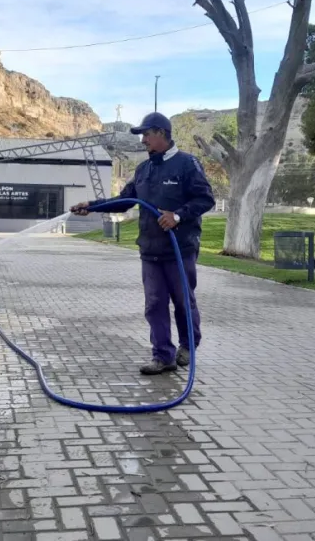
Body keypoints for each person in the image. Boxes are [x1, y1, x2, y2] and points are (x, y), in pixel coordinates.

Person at [71, 112, 215, 376]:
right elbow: (126, 199)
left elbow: (205, 199)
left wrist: (178, 216)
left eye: (146, 134)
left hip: (179, 249)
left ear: (161, 133)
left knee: (184, 301)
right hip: (150, 250)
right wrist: (91, 206)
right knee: (154, 304)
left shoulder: (187, 164)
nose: (143, 140)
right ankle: (163, 356)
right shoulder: (144, 169)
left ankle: (188, 345)